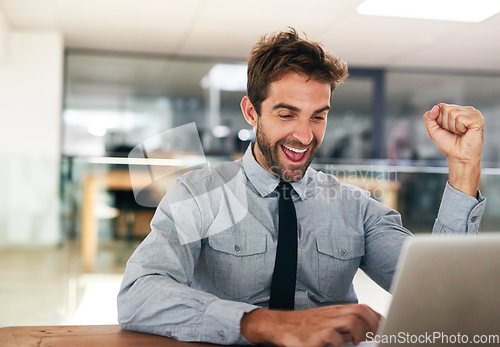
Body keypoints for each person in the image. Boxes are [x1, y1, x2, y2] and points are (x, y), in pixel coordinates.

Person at [117, 28, 486, 347]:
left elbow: (442, 296)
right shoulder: (200, 194)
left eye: (318, 116)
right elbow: (139, 295)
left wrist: (465, 166)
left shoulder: (355, 207)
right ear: (251, 112)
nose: (305, 135)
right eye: (286, 113)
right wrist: (267, 324)